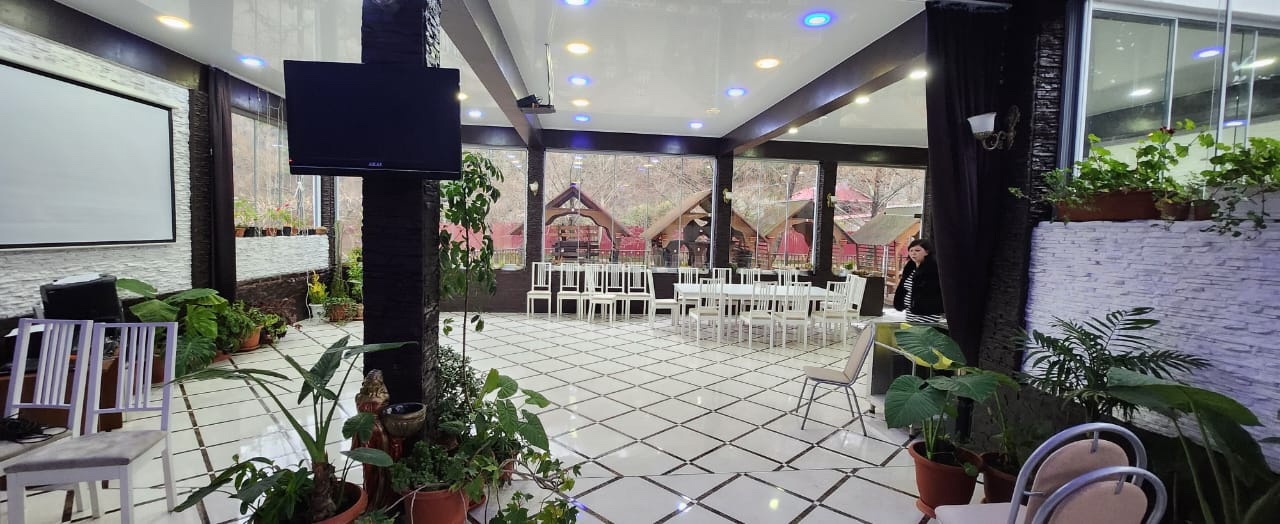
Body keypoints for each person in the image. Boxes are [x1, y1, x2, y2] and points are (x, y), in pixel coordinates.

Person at [893, 238, 944, 323]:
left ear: (927, 252)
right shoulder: (909, 268)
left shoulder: (933, 270)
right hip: (910, 312)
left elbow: (934, 292)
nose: (913, 253)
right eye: (911, 250)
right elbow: (904, 288)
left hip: (927, 313)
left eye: (917, 250)